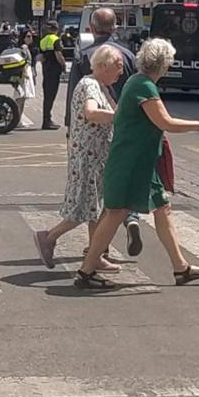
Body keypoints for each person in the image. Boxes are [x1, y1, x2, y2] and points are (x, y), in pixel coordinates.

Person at [75, 38, 199, 289]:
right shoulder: (144, 86)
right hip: (129, 162)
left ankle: (180, 268)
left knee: (162, 209)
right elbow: (166, 123)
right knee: (115, 213)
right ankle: (86, 271)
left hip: (141, 162)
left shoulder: (137, 82)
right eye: (169, 62)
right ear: (163, 64)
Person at [35, 44, 125, 272]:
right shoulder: (90, 86)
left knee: (97, 210)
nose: (121, 72)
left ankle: (95, 254)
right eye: (118, 67)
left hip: (97, 157)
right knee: (83, 208)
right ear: (103, 66)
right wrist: (119, 116)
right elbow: (91, 112)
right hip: (88, 158)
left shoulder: (101, 86)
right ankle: (49, 237)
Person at [64, 7, 141, 253]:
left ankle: (96, 248)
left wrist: (70, 126)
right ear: (115, 28)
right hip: (124, 127)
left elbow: (74, 95)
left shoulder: (84, 55)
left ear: (91, 28)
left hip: (94, 132)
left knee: (95, 189)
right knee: (123, 179)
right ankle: (131, 219)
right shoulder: (128, 55)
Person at [39, 22, 66, 130]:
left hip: (46, 70)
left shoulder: (43, 41)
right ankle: (47, 122)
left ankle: (46, 119)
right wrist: (63, 65)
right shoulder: (56, 39)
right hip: (54, 71)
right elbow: (58, 55)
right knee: (51, 96)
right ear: (56, 29)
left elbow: (41, 57)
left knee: (47, 97)